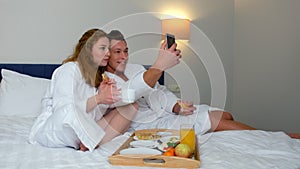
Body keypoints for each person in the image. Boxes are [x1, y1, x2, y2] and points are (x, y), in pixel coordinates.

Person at [105, 30, 300, 139]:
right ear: (106, 54)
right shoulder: (105, 81)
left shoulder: (135, 68)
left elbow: (159, 91)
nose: (124, 56)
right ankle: (279, 137)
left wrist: (175, 105)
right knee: (220, 122)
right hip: (150, 124)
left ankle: (264, 136)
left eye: (126, 51)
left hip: (167, 111)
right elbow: (130, 94)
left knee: (226, 115)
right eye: (117, 52)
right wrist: (158, 66)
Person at [29, 28, 182, 152]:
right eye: (103, 48)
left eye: (108, 49)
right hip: (59, 131)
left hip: (87, 128)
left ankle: (90, 142)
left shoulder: (101, 77)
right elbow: (65, 111)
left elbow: (126, 96)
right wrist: (99, 99)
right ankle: (88, 140)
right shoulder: (69, 70)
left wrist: (106, 99)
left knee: (131, 105)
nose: (108, 53)